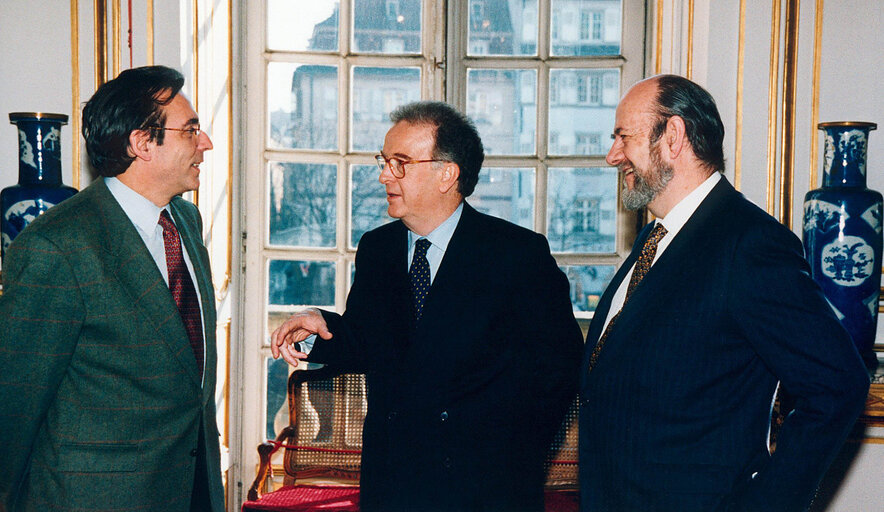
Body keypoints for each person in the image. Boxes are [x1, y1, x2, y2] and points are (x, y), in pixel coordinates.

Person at [271, 101, 583, 512]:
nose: (384, 174)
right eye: (384, 160)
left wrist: (512, 454)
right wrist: (323, 327)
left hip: (486, 489)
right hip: (393, 482)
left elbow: (560, 367)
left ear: (446, 174)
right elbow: (372, 340)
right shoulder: (377, 248)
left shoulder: (516, 253)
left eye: (400, 163)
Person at [578, 74, 870, 512]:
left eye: (624, 137)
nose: (612, 155)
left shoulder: (749, 244)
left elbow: (838, 385)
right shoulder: (654, 240)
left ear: (672, 137)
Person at [0, 65, 224, 512]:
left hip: (192, 487)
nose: (206, 144)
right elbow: (16, 399)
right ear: (143, 143)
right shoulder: (56, 246)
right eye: (191, 131)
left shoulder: (186, 221)